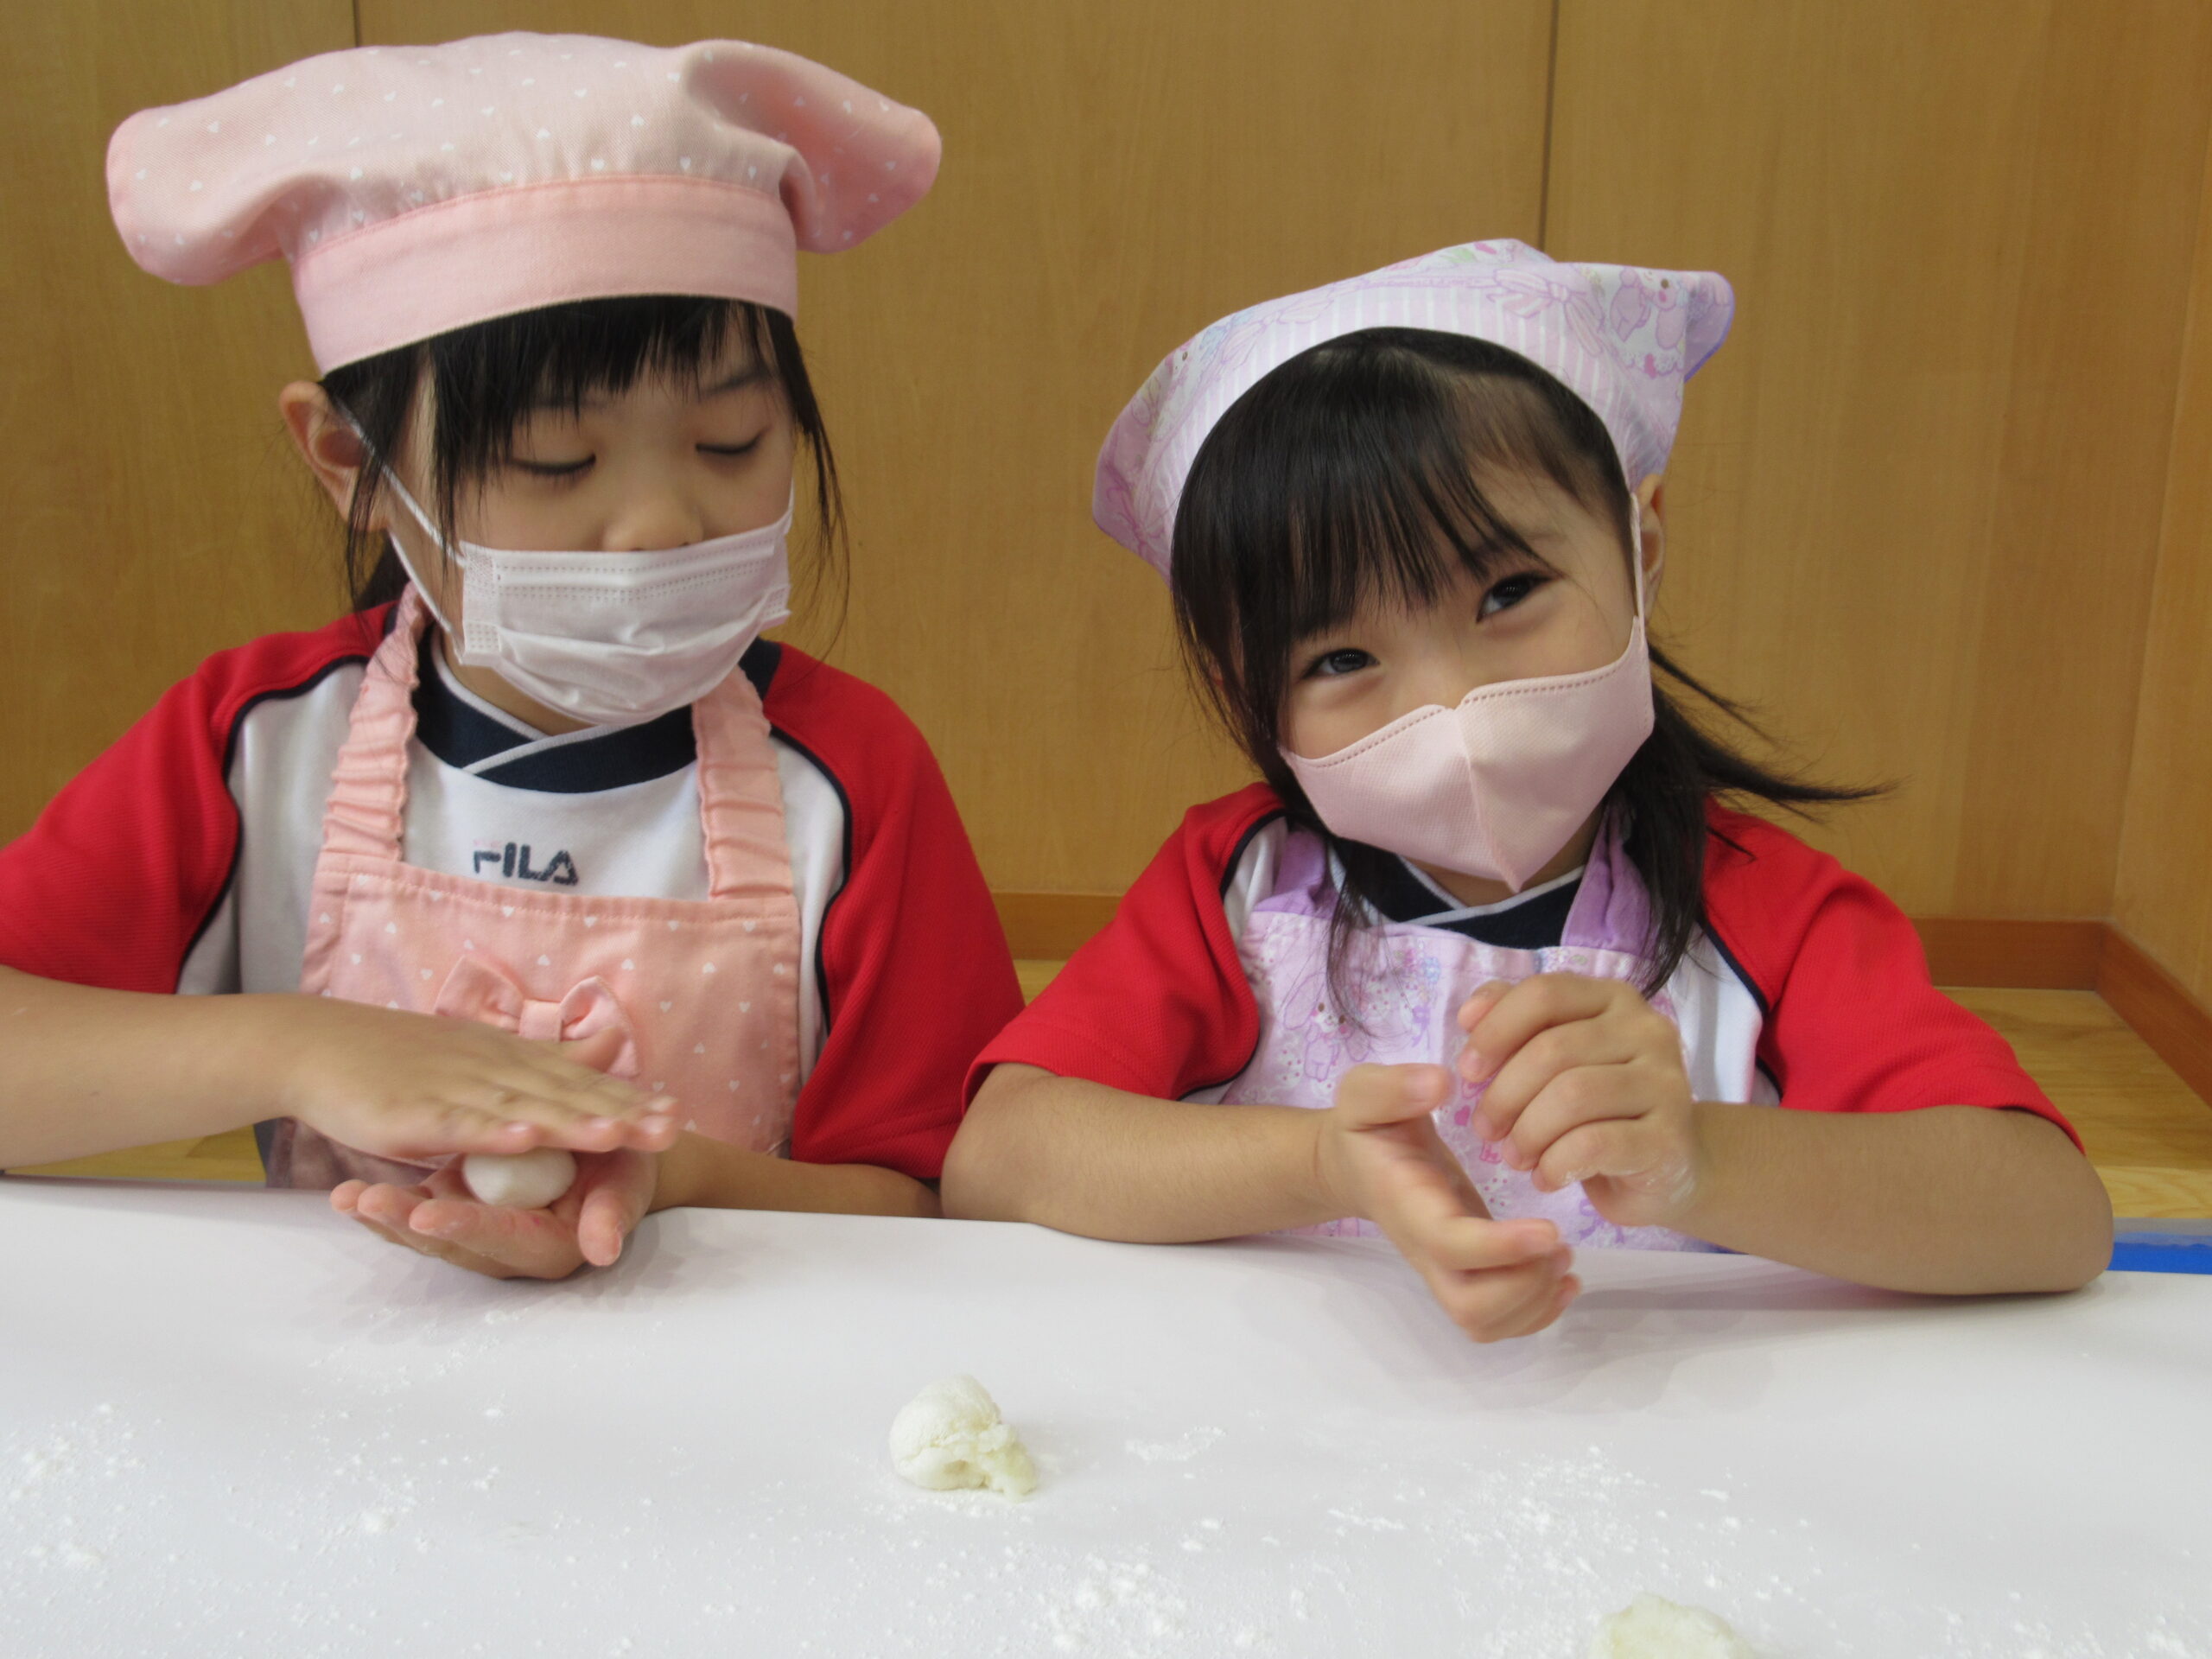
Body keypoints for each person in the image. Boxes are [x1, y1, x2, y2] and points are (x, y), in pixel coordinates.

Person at [943, 242, 2111, 1338]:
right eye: (1340, 659)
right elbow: (998, 1160)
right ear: (1241, 690)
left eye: (1506, 594)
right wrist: (1322, 1163)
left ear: (1640, 544)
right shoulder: (1237, 886)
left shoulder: (1768, 909)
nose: (1454, 705)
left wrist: (1699, 1161)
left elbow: (2050, 1216)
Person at [0, 33, 1021, 1279]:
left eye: (731, 442)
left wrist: (674, 1185)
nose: (660, 524)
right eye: (557, 461)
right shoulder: (257, 745)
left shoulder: (851, 777)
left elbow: (941, 1202)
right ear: (350, 463)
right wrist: (302, 1049)